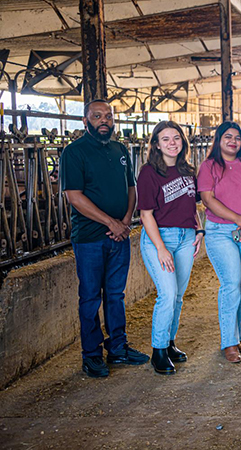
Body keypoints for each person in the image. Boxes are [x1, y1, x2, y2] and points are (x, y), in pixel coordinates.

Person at [60, 99, 149, 378]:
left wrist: (125, 222)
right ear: (85, 121)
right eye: (97, 116)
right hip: (89, 238)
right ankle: (92, 355)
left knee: (115, 295)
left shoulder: (119, 148)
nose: (104, 121)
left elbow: (131, 188)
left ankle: (119, 348)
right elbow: (74, 196)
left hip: (119, 236)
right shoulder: (74, 152)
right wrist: (111, 222)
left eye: (109, 116)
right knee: (89, 296)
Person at [137, 121, 204, 375]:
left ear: (182, 142)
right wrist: (161, 248)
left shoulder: (188, 170)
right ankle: (158, 351)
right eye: (165, 139)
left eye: (176, 138)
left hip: (186, 237)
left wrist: (198, 230)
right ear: (156, 144)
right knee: (166, 294)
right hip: (160, 237)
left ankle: (170, 342)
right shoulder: (149, 172)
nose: (172, 143)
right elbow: (146, 214)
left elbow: (191, 205)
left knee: (177, 295)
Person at [198, 121, 241, 363]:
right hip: (220, 231)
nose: (233, 141)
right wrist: (239, 219)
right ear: (218, 140)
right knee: (231, 284)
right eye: (228, 137)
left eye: (237, 138)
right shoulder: (209, 166)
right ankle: (228, 342)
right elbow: (207, 199)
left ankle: (238, 336)